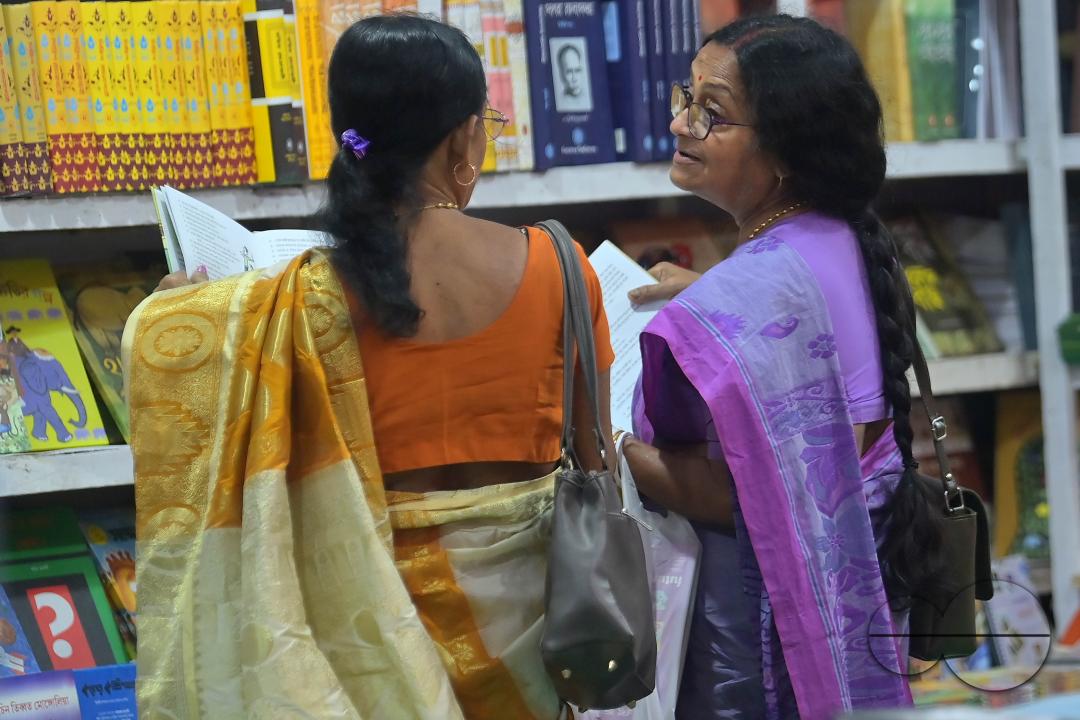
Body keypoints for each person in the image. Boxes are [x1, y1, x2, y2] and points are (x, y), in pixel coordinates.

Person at [125, 14, 615, 718]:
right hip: (536, 650)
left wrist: (178, 310)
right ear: (464, 139)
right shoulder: (559, 268)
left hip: (363, 650)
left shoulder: (297, 300)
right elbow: (593, 457)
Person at [620, 15, 942, 719]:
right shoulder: (833, 235)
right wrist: (711, 288)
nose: (680, 124)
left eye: (713, 114)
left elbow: (744, 497)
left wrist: (611, 449)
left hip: (760, 651)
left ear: (786, 151)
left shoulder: (769, 281)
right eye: (686, 98)